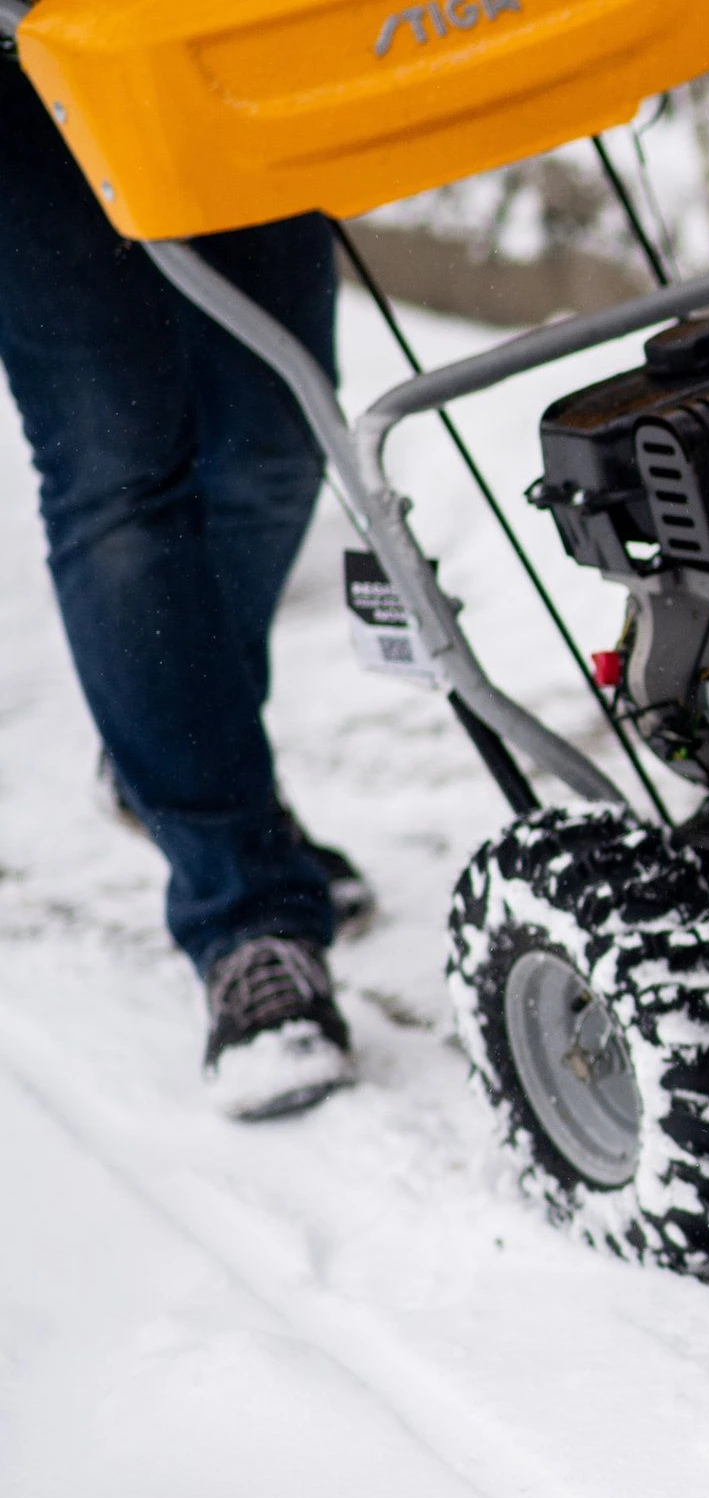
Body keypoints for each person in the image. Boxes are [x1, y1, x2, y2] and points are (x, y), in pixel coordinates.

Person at [0, 54, 373, 1119]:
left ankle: (169, 759)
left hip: (212, 39)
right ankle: (243, 909)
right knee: (116, 478)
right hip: (16, 78)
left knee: (277, 434)